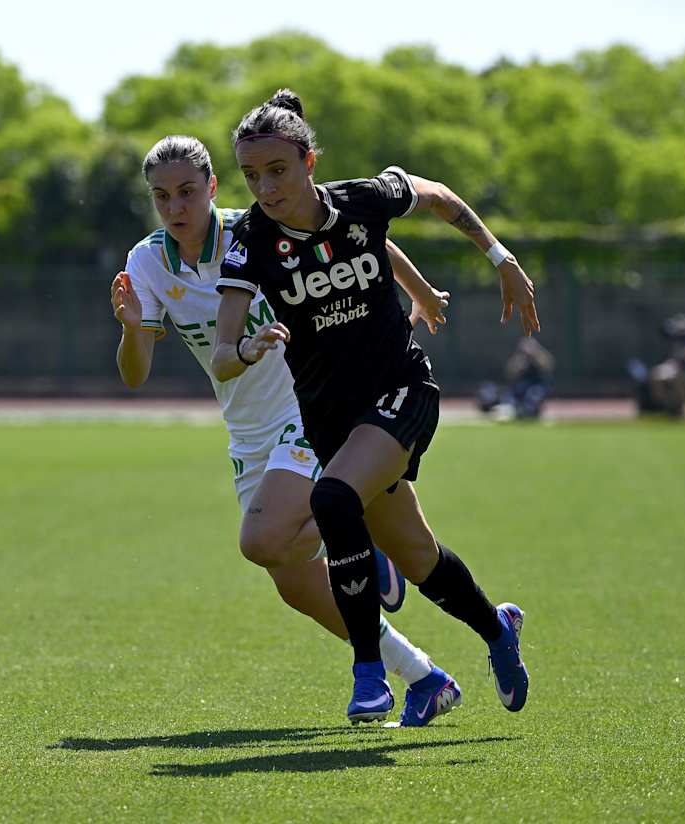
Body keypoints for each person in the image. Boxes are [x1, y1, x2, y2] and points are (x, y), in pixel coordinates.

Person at [111, 134, 460, 726]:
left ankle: (356, 534)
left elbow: (360, 237)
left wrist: (419, 291)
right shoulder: (147, 262)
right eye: (161, 196)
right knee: (293, 582)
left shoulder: (255, 231)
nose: (176, 207)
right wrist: (130, 327)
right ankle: (425, 677)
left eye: (187, 191)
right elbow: (135, 374)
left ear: (212, 187)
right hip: (248, 432)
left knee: (262, 540)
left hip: (311, 410)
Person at [213, 90, 538, 723]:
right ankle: (497, 627)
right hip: (331, 420)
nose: (265, 188)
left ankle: (369, 675)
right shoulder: (250, 241)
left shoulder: (363, 200)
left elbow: (438, 196)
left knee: (333, 499)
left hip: (404, 390)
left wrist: (501, 259)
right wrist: (247, 349)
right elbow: (223, 354)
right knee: (418, 558)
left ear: (309, 162)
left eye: (277, 171)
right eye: (251, 175)